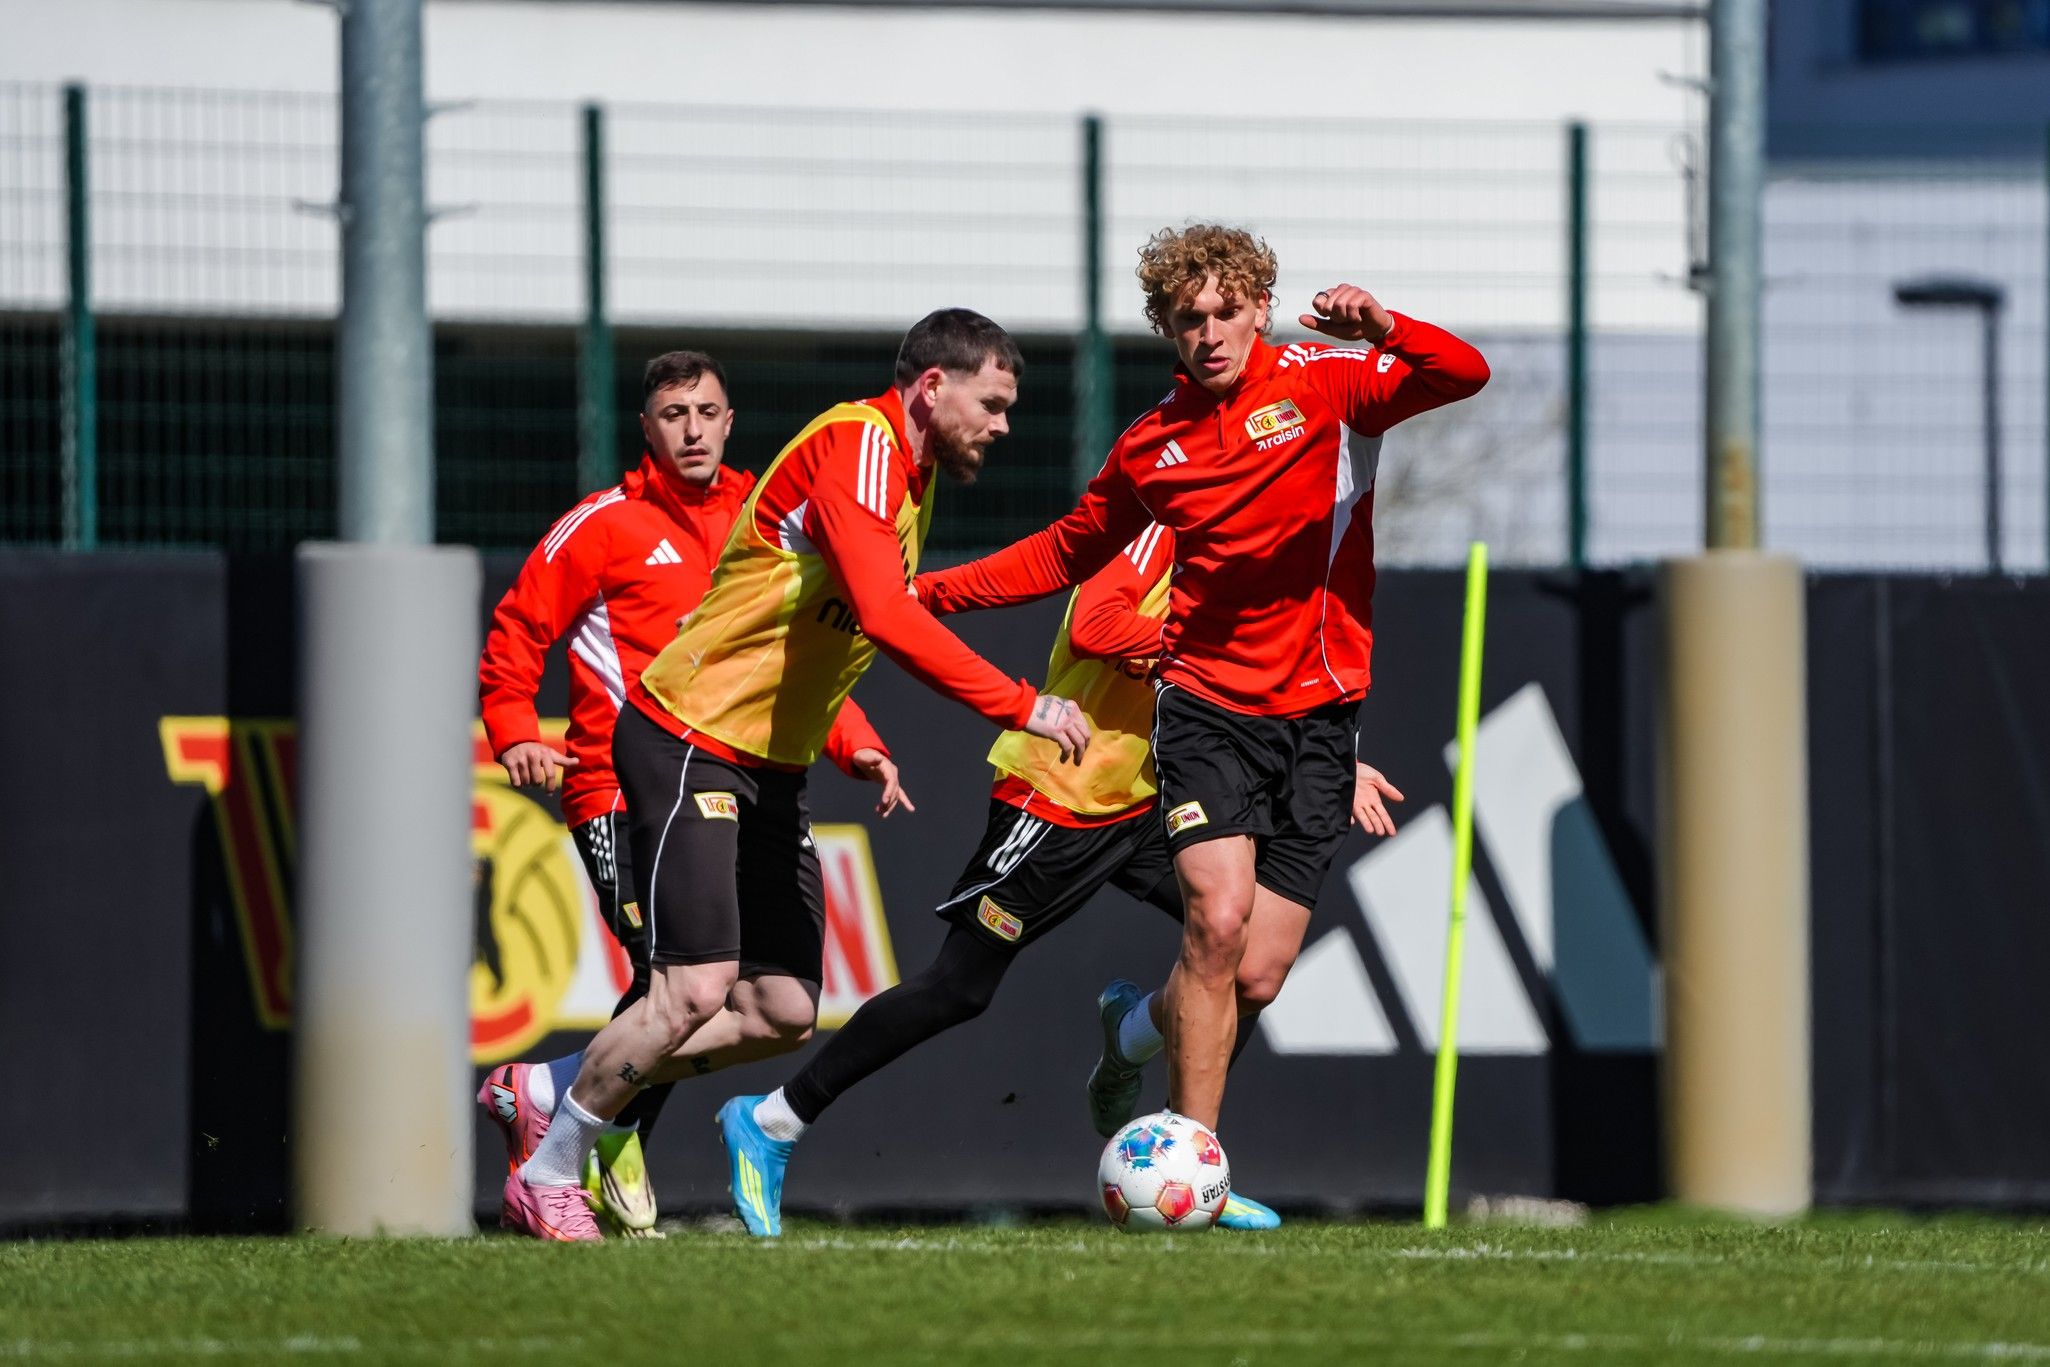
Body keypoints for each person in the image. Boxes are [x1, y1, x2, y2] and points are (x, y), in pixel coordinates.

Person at [500, 308, 1093, 1242]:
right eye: (992, 403)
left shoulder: (910, 477)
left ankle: (546, 1086)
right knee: (692, 987)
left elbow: (831, 631)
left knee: (780, 1010)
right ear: (931, 388)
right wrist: (1024, 705)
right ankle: (549, 1168)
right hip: (688, 736)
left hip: (768, 765)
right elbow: (885, 617)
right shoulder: (860, 444)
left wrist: (854, 740)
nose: (1003, 424)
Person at [917, 225, 1489, 1136]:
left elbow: (1463, 374)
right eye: (1190, 319)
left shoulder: (1328, 382)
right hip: (1206, 710)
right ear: (1167, 327)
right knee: (1216, 925)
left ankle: (1132, 1031)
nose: (1210, 333)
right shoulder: (1153, 446)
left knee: (1256, 973)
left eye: (1228, 311)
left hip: (1322, 718)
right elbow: (1063, 553)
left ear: (1262, 307)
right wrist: (921, 594)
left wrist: (1385, 327)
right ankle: (1193, 1162)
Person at [714, 522, 1406, 1235]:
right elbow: (1095, 623)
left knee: (1245, 960)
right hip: (1063, 792)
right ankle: (772, 1119)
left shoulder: (1269, 547)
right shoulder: (1165, 522)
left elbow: (1264, 684)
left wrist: (1334, 761)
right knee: (960, 986)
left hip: (1160, 794)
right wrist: (1200, 649)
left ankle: (1184, 1149)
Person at [473, 350, 905, 1236]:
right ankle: (596, 1142)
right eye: (675, 414)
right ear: (647, 428)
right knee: (670, 972)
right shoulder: (603, 524)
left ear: (731, 421)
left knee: (770, 1003)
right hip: (620, 785)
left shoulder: (766, 518)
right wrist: (514, 728)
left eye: (708, 412)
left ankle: (570, 1102)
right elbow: (518, 628)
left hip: (739, 778)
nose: (694, 429)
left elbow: (794, 653)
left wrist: (854, 739)